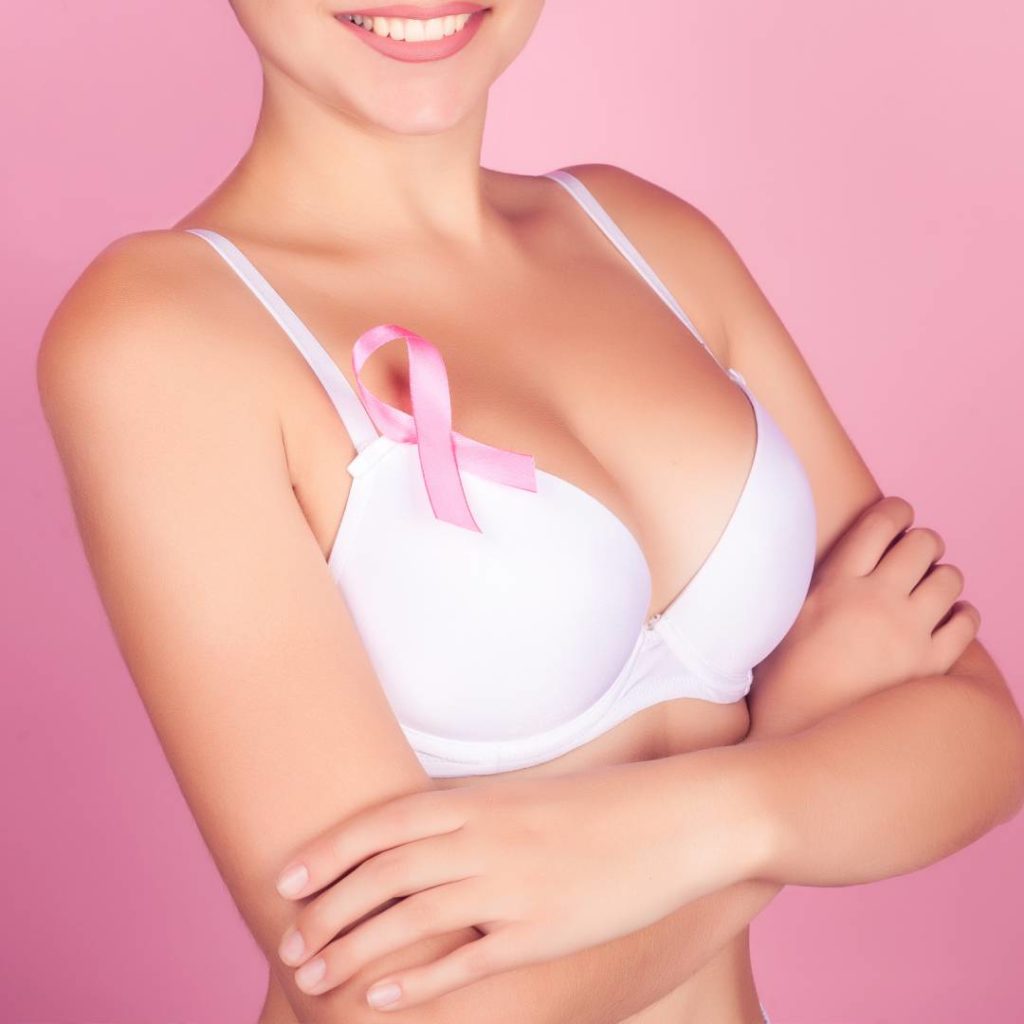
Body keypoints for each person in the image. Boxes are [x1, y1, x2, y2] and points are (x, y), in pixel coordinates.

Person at [35, 2, 1024, 1022]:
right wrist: (792, 758)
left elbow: (983, 736)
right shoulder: (158, 335)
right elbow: (395, 1007)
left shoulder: (646, 239)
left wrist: (738, 811)